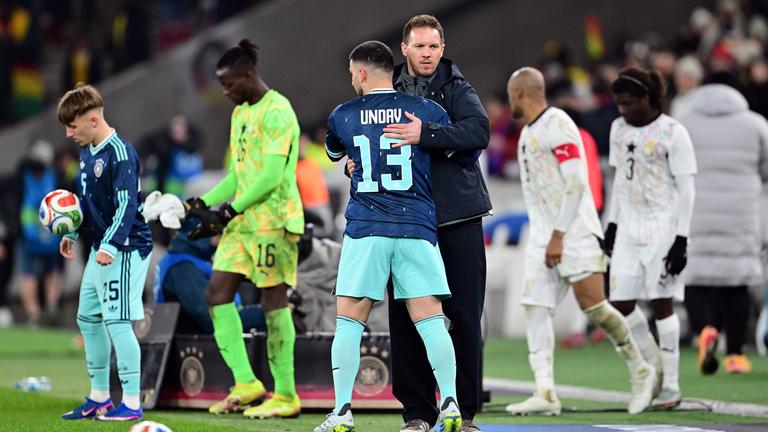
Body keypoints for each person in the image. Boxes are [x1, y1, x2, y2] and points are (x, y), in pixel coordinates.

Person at [314, 40, 460, 432]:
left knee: (349, 320)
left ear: (361, 73)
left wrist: (356, 164)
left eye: (351, 73)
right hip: (416, 226)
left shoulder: (343, 114)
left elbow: (336, 154)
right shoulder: (427, 111)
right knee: (431, 320)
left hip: (367, 228)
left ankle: (342, 411)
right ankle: (449, 403)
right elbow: (449, 147)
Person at [502, 67, 655, 416]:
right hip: (544, 235)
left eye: (511, 94)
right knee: (535, 308)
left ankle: (641, 371)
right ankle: (545, 391)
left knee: (595, 308)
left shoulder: (558, 124)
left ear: (520, 93)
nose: (509, 100)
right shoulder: (528, 133)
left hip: (574, 232)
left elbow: (576, 182)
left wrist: (558, 235)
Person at [182, 39, 304, 419]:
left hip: (275, 221)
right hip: (242, 222)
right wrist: (201, 203)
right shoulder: (240, 115)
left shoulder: (278, 111)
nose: (225, 91)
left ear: (248, 76)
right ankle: (247, 383)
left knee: (272, 303)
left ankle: (286, 395)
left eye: (229, 83)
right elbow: (238, 175)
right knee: (217, 292)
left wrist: (227, 211)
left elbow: (269, 176)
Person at [384, 15, 492, 432]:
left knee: (465, 316)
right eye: (420, 47)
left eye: (434, 47)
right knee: (406, 317)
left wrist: (423, 135)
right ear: (405, 49)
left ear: (442, 49)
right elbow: (362, 135)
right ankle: (416, 414)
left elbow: (478, 130)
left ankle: (464, 414)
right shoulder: (383, 89)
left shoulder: (457, 87)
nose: (428, 54)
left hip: (457, 217)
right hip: (406, 219)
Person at [56, 83, 153, 421]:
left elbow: (127, 206)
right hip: (102, 247)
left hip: (125, 247)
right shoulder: (87, 152)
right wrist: (73, 230)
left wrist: (111, 244)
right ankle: (99, 397)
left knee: (118, 322)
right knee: (87, 317)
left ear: (93, 120)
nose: (69, 133)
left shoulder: (121, 153)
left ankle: (130, 403)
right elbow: (88, 203)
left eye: (73, 126)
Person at [604, 67, 697, 409]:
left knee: (662, 302)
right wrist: (612, 226)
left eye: (628, 103)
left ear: (646, 98)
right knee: (622, 303)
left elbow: (687, 189)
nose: (623, 110)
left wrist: (682, 239)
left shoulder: (673, 132)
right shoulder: (618, 129)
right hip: (628, 228)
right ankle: (653, 362)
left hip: (663, 228)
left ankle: (671, 384)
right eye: (618, 104)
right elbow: (618, 180)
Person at [678, 83, 768, 375]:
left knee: (695, 278)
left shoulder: (684, 123)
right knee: (736, 282)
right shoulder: (756, 124)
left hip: (696, 212)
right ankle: (734, 356)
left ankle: (705, 329)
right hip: (741, 213)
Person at [17, 140, 63, 326]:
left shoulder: (55, 177)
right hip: (29, 235)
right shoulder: (22, 177)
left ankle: (50, 307)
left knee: (52, 271)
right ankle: (34, 314)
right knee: (29, 274)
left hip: (51, 235)